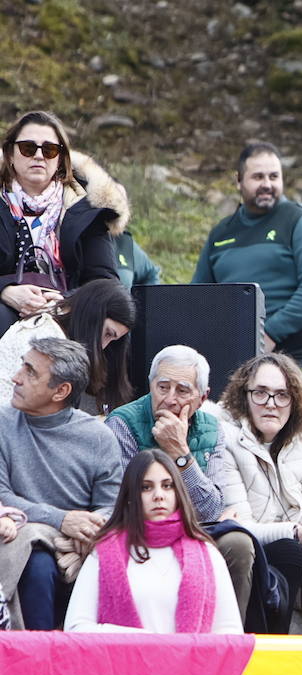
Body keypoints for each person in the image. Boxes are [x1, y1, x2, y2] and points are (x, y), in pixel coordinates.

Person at [106, 345, 258, 623]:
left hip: (195, 529)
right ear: (151, 385)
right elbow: (124, 502)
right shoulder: (122, 423)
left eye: (183, 390)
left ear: (202, 398)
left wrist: (180, 454)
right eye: (162, 387)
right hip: (142, 528)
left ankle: (225, 640)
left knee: (239, 543)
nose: (170, 399)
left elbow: (211, 511)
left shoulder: (211, 429)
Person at [192, 141, 302, 391]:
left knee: (283, 424)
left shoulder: (300, 221)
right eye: (258, 176)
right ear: (239, 181)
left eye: (274, 176)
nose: (267, 184)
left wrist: (269, 334)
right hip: (232, 353)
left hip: (293, 350)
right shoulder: (220, 233)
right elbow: (198, 296)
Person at [0, 338, 121, 629]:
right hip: (21, 543)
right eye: (22, 366)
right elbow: (2, 496)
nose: (16, 378)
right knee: (39, 564)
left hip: (79, 549)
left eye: (30, 372)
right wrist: (61, 519)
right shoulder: (2, 424)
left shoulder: (98, 437)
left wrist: (86, 540)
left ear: (61, 391)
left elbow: (112, 504)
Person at [215, 353, 302, 619]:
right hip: (248, 550)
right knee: (288, 549)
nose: (271, 404)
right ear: (244, 395)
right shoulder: (224, 437)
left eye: (282, 395)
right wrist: (298, 532)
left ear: (294, 400)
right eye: (260, 393)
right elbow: (239, 526)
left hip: (297, 549)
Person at [64, 450, 241, 634]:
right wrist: (146, 643)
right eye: (146, 487)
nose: (158, 495)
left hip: (192, 663)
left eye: (167, 486)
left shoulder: (208, 554)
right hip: (124, 663)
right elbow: (76, 628)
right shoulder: (102, 553)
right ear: (131, 496)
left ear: (178, 492)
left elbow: (230, 634)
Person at [0, 111, 127, 333]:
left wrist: (63, 303)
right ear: (10, 154)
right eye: (28, 148)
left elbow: (105, 283)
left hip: (67, 317)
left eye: (49, 150)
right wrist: (5, 291)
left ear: (60, 159)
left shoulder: (86, 209)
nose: (39, 156)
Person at [0, 277, 136, 414]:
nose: (103, 346)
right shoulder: (48, 339)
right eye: (107, 333)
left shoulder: (54, 320)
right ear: (91, 314)